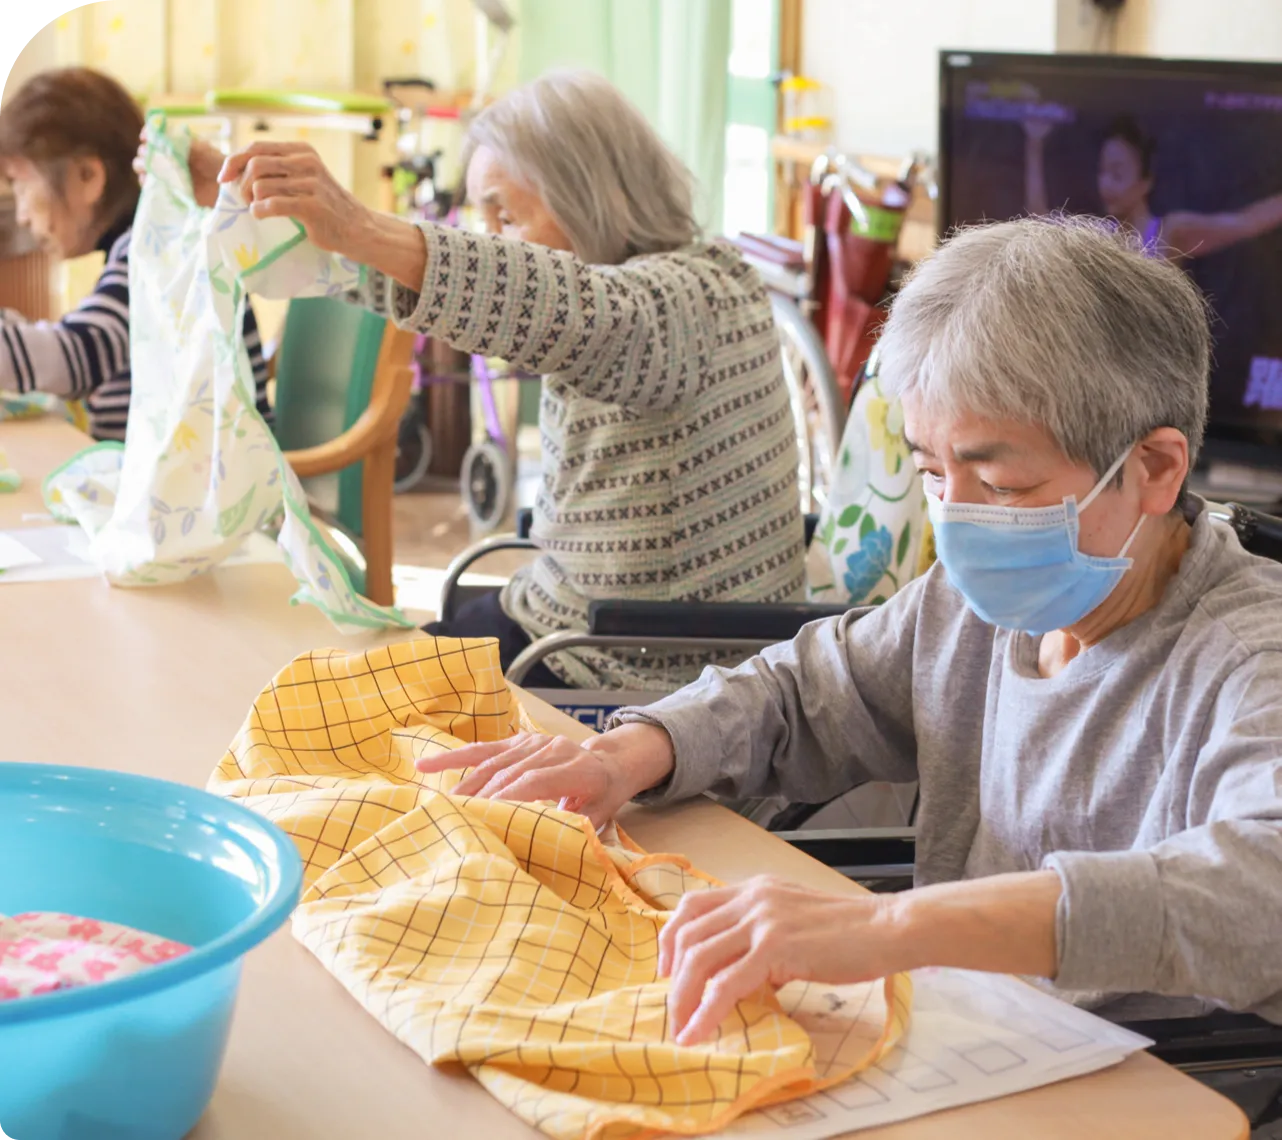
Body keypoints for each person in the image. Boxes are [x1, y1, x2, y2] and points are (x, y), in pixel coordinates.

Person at [415, 216, 1282, 1052]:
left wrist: (889, 926)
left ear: (1157, 468)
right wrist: (624, 756)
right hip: (964, 1032)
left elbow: (1257, 890)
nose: (958, 519)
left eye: (1004, 485)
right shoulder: (973, 607)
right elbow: (809, 689)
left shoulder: (1249, 653)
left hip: (1153, 1082)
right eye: (934, 473)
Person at [200, 70, 804, 690]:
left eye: (507, 217)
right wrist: (260, 204)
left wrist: (360, 227)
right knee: (362, 669)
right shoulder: (667, 284)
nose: (492, 241)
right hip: (565, 617)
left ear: (591, 197)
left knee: (356, 697)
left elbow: (570, 307)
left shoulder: (695, 296)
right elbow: (469, 287)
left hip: (638, 662)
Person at [0, 67, 271, 441]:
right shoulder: (143, 247)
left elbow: (77, 356)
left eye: (22, 186)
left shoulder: (159, 251)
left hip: (205, 489)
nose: (23, 214)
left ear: (87, 176)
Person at [1024, 113, 1282, 260]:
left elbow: (1246, 223)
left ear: (1144, 183)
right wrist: (1034, 145)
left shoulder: (1170, 233)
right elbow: (1040, 224)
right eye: (1102, 172)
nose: (1105, 184)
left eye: (1117, 174)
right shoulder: (1099, 237)